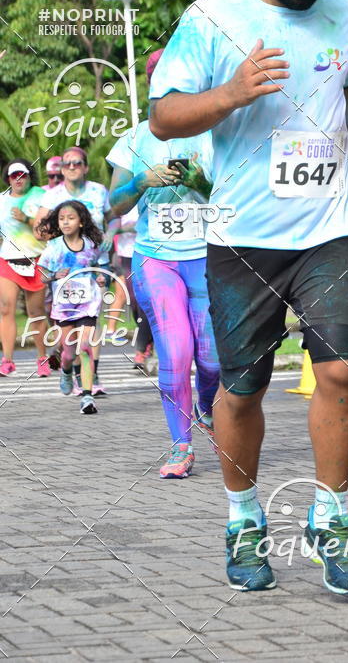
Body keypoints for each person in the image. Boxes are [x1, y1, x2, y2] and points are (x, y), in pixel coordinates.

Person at [150, 0, 348, 593]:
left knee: (341, 371)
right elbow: (165, 118)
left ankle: (333, 515)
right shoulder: (213, 17)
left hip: (330, 226)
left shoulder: (347, 13)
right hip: (244, 233)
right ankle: (243, 518)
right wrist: (231, 93)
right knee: (244, 387)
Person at [108, 49, 220, 478]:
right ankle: (181, 445)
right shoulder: (134, 140)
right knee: (176, 352)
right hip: (156, 259)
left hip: (208, 257)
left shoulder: (215, 134)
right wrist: (142, 180)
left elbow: (233, 198)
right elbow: (112, 208)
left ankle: (207, 406)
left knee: (211, 359)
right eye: (161, 80)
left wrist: (199, 181)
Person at [35, 147, 117, 396]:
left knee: (91, 324)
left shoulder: (98, 191)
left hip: (93, 263)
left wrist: (109, 236)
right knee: (68, 335)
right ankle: (70, 368)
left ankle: (92, 376)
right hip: (64, 271)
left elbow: (113, 217)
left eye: (77, 163)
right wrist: (63, 238)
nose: (72, 167)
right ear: (61, 169)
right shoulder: (52, 196)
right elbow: (39, 230)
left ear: (86, 166)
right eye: (67, 164)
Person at [38, 201, 108, 414]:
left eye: (70, 218)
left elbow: (100, 266)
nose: (66, 222)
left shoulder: (92, 245)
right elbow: (41, 273)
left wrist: (101, 276)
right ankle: (66, 371)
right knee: (68, 352)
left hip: (88, 303)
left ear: (81, 222)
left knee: (85, 347)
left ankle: (87, 396)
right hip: (64, 306)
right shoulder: (54, 247)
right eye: (61, 218)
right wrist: (52, 276)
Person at [0, 159, 51, 376]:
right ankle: (7, 360)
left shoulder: (41, 196)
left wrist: (26, 219)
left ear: (29, 176)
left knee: (36, 312)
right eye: (14, 176)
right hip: (8, 260)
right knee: (5, 308)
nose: (18, 179)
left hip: (36, 259)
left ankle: (42, 358)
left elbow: (47, 230)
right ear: (8, 179)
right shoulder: (1, 200)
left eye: (22, 175)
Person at [105, 205, 154, 371]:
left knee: (146, 302)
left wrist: (129, 227)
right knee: (133, 301)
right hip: (126, 253)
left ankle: (142, 348)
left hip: (149, 252)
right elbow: (111, 222)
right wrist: (114, 230)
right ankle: (149, 340)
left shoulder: (149, 189)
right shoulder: (122, 195)